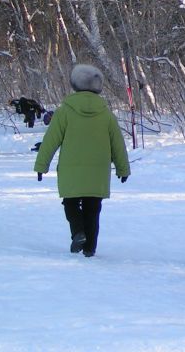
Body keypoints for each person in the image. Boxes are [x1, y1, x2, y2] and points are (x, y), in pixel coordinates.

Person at [34, 64, 130, 257]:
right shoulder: (106, 113)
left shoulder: (65, 111)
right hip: (98, 170)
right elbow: (117, 143)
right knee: (93, 208)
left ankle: (78, 231)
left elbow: (51, 140)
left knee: (70, 203)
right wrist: (122, 168)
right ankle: (90, 248)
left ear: (75, 84)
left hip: (71, 168)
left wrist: (41, 165)